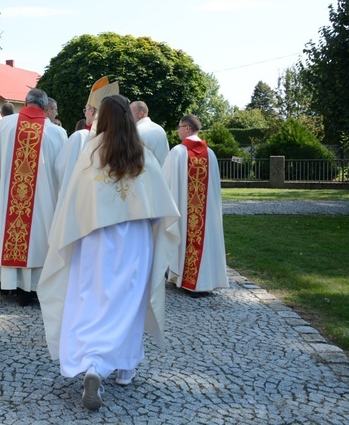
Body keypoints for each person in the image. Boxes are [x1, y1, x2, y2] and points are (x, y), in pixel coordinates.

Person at [39, 94, 180, 411]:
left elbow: (73, 200)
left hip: (95, 239)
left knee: (93, 297)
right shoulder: (140, 153)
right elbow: (159, 207)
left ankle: (92, 362)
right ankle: (122, 368)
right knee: (129, 301)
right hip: (133, 239)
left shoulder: (91, 151)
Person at [0, 88, 67, 306]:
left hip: (10, 199)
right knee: (40, 238)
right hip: (44, 204)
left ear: (25, 102)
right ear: (45, 107)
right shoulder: (58, 133)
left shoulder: (5, 126)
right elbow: (62, 172)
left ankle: (11, 284)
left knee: (13, 233)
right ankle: (35, 288)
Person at [162, 115, 228, 296]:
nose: (178, 130)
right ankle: (205, 281)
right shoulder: (210, 154)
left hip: (184, 212)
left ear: (187, 128)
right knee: (204, 240)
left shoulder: (178, 152)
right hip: (205, 213)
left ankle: (184, 278)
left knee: (184, 237)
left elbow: (165, 182)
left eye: (179, 126)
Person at [130, 101, 169, 166]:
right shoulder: (160, 129)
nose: (128, 116)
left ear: (140, 114)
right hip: (162, 174)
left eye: (130, 113)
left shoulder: (136, 131)